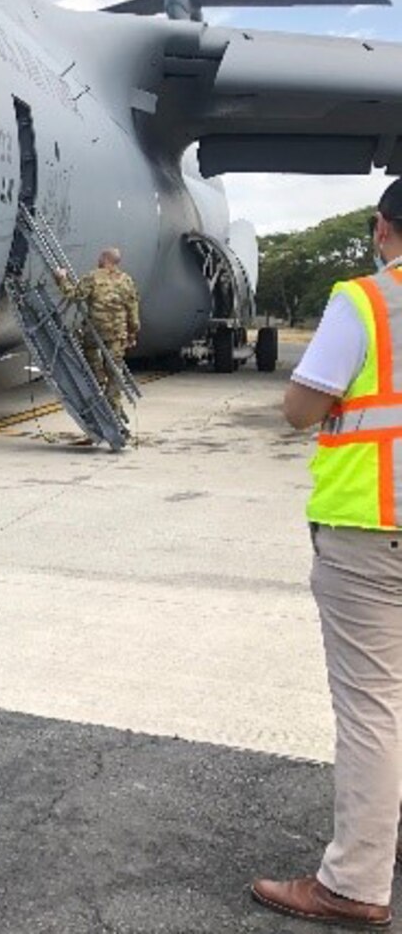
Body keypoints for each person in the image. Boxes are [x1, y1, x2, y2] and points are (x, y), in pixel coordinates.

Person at [251, 181, 402, 929]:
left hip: (374, 526)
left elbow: (300, 407)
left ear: (383, 229)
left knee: (373, 706)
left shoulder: (366, 300)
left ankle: (356, 881)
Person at [54, 248, 140, 418]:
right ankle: (114, 406)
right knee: (115, 370)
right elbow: (133, 308)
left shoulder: (93, 277)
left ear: (105, 259)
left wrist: (61, 278)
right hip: (117, 333)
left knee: (88, 348)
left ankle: (98, 377)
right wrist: (132, 332)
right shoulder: (126, 280)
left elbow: (74, 295)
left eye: (100, 257)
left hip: (96, 331)